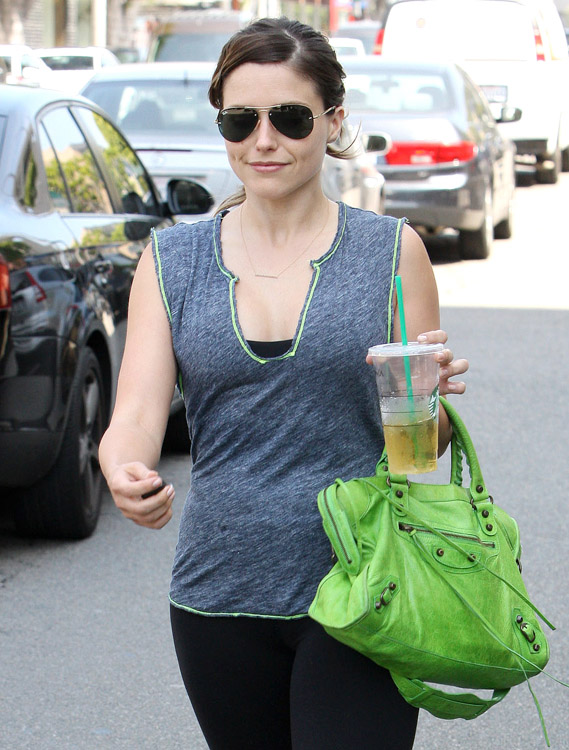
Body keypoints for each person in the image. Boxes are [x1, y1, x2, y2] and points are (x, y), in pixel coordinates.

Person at [99, 16, 469, 750]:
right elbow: (136, 411)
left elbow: (417, 451)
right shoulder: (171, 262)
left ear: (332, 122)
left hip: (365, 586)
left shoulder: (392, 253)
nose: (262, 141)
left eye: (289, 118)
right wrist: (122, 467)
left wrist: (432, 403)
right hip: (218, 592)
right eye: (240, 121)